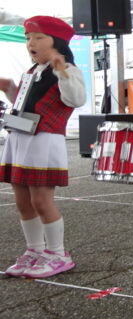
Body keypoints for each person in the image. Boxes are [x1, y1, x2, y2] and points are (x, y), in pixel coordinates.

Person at [1, 16, 86, 278]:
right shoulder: (31, 71)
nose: (31, 43)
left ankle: (58, 254)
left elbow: (76, 99)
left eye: (38, 38)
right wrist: (8, 88)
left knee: (41, 199)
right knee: (22, 199)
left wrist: (62, 72)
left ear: (57, 42)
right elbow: (23, 103)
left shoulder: (68, 69)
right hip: (20, 137)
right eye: (28, 38)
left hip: (44, 140)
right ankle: (35, 250)